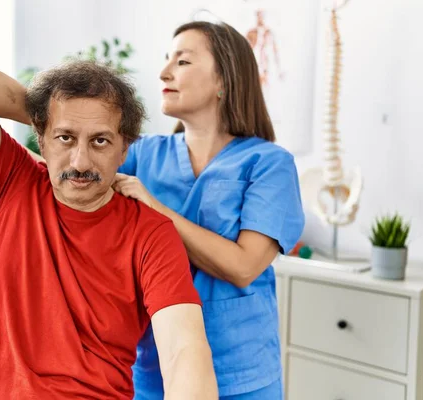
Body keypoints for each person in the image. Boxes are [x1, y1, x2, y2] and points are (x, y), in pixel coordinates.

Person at [0, 51, 217, 399]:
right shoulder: (12, 184)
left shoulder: (151, 233)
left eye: (100, 140)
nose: (80, 162)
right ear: (42, 140)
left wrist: (65, 120)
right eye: (65, 138)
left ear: (124, 149)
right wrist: (52, 113)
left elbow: (183, 349)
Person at [112, 21, 304, 399]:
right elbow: (71, 175)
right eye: (167, 60)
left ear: (224, 80)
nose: (164, 72)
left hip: (241, 372)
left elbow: (244, 266)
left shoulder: (268, 163)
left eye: (182, 61)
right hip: (154, 367)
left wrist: (154, 208)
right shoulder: (142, 153)